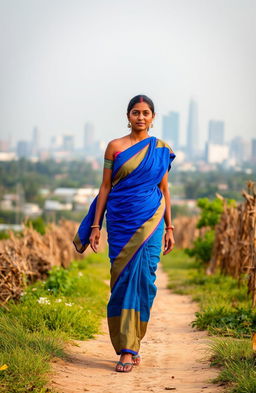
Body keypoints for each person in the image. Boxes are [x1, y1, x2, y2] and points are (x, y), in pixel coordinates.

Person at [73, 94, 176, 373]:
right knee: (120, 281)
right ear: (128, 116)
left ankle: (131, 348)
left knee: (145, 279)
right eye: (135, 112)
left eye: (145, 113)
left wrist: (169, 226)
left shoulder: (161, 150)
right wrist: (95, 226)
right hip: (120, 221)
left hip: (152, 221)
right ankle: (125, 345)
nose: (140, 117)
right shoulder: (115, 147)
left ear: (153, 118)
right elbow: (105, 188)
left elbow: (164, 190)